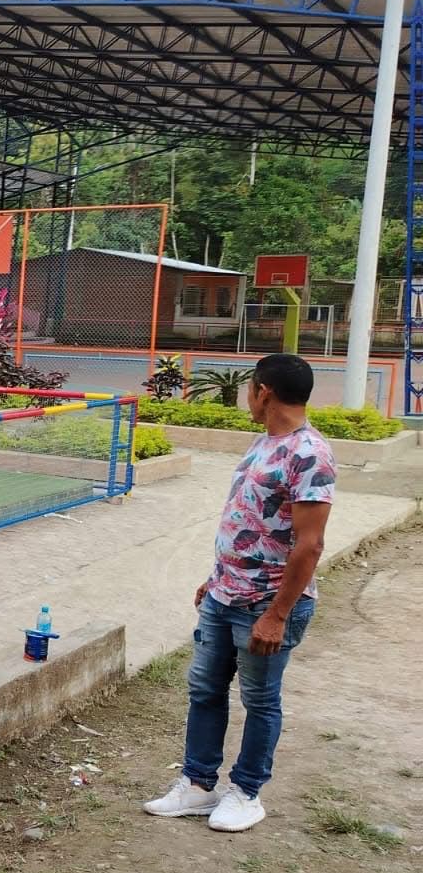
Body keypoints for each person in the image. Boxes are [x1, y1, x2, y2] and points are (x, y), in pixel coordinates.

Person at [144, 353, 335, 833]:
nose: (247, 399)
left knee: (260, 700)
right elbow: (249, 517)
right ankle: (198, 784)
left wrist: (277, 615)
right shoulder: (264, 441)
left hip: (266, 604)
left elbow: (309, 545)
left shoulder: (309, 454)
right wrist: (216, 578)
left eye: (250, 390)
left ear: (263, 392)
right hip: (223, 594)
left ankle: (247, 792)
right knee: (205, 689)